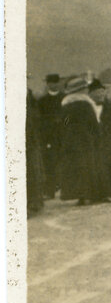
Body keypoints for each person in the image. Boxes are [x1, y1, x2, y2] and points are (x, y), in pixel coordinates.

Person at [59, 75, 111, 206]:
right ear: (80, 90)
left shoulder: (65, 105)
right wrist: (97, 135)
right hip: (86, 139)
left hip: (71, 140)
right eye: (84, 88)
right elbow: (93, 123)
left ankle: (81, 196)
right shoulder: (86, 104)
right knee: (90, 166)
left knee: (77, 168)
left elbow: (64, 123)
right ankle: (92, 194)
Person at [89, 79, 111, 202]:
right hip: (93, 142)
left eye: (102, 93)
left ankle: (110, 193)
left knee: (109, 166)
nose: (100, 95)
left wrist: (101, 129)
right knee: (94, 166)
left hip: (108, 142)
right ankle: (96, 194)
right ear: (91, 94)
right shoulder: (87, 108)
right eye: (97, 93)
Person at [36, 73, 64, 200]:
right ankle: (50, 191)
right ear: (47, 84)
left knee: (65, 162)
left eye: (55, 82)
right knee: (50, 164)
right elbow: (40, 120)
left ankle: (66, 190)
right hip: (49, 137)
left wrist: (64, 123)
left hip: (64, 136)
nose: (53, 85)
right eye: (50, 82)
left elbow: (69, 116)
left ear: (59, 83)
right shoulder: (42, 101)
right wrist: (49, 125)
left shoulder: (65, 98)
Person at [26, 89, 46, 217]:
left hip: (30, 140)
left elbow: (36, 117)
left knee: (33, 172)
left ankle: (34, 203)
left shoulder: (29, 96)